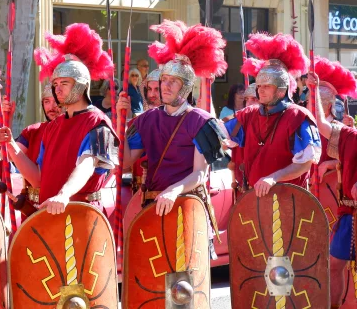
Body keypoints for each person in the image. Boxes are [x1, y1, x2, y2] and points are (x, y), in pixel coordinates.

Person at [0, 23, 118, 214]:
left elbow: (87, 163)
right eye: (55, 84)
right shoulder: (53, 127)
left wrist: (64, 193)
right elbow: (38, 178)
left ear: (82, 85)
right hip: (50, 213)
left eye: (64, 83)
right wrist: (10, 143)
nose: (57, 89)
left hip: (81, 214)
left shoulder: (98, 123)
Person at [118, 20, 227, 220]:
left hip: (186, 205)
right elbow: (126, 161)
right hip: (152, 205)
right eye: (164, 80)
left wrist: (174, 190)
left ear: (185, 87)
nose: (165, 86)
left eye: (173, 82)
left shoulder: (200, 121)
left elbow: (200, 174)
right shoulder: (148, 119)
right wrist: (120, 120)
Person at [225, 33, 320, 197]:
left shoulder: (298, 117)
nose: (260, 90)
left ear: (282, 90)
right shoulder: (248, 115)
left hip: (290, 202)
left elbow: (305, 163)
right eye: (259, 85)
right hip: (254, 201)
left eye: (267, 86)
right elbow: (220, 137)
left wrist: (274, 177)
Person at [306, 67, 357, 309]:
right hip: (349, 214)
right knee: (335, 264)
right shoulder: (349, 135)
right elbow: (322, 125)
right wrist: (314, 91)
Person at [2, 81, 62, 206]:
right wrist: (7, 119)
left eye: (56, 101)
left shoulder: (73, 131)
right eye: (47, 101)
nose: (51, 107)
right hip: (33, 205)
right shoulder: (33, 131)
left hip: (60, 203)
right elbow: (8, 155)